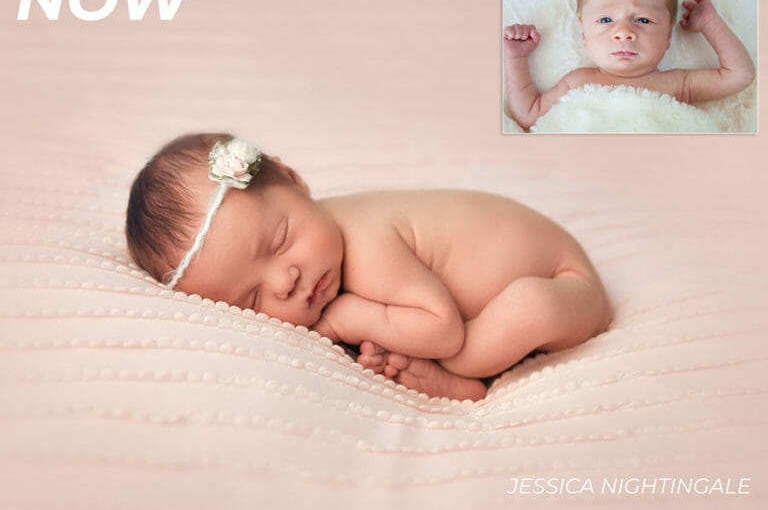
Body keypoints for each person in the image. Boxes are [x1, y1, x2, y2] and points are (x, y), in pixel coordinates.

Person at [126, 133, 611, 401]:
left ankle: (466, 385)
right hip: (529, 278)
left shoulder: (365, 240)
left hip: (566, 286)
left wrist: (344, 319)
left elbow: (443, 332)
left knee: (520, 311)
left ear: (295, 180)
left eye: (280, 240)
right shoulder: (322, 245)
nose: (285, 280)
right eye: (251, 299)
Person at [503, 0, 755, 131]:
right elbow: (528, 115)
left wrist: (711, 24)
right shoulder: (578, 82)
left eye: (643, 20)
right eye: (605, 20)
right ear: (584, 33)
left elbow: (739, 75)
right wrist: (517, 59)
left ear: (668, 35)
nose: (623, 33)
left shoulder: (679, 84)